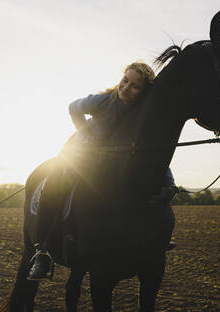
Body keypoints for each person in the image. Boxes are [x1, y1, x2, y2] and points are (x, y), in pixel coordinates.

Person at [28, 62, 179, 280]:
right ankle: (41, 252)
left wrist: (170, 184)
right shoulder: (104, 101)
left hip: (118, 156)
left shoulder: (144, 111)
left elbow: (156, 154)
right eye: (125, 80)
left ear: (145, 91)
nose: (126, 87)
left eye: (135, 86)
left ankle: (155, 239)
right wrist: (87, 134)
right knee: (53, 185)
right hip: (81, 150)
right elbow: (73, 107)